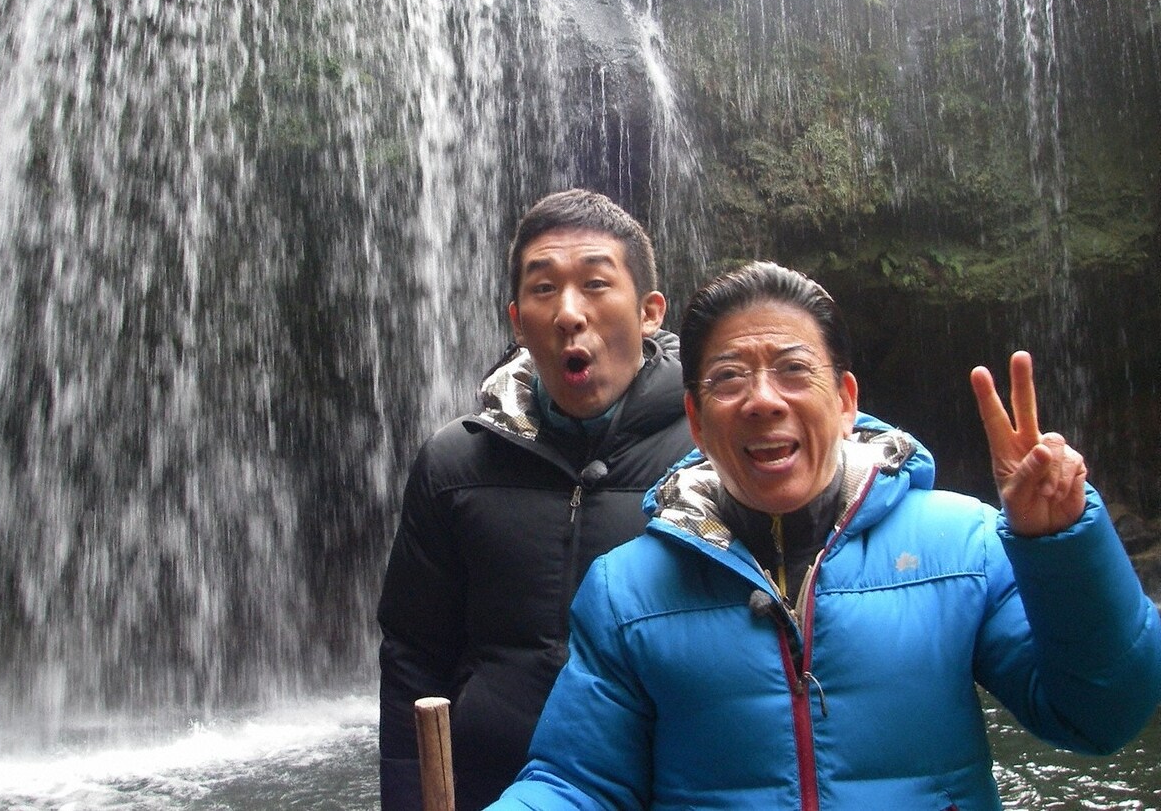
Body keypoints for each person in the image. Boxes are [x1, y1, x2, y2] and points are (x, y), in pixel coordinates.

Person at [489, 261, 1161, 811]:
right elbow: (578, 784)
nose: (762, 399)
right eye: (728, 377)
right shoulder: (626, 589)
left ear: (844, 401)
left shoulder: (965, 547)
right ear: (694, 418)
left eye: (791, 369)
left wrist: (1064, 546)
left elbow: (1101, 716)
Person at [376, 189, 696, 811]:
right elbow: (412, 656)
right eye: (544, 289)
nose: (569, 313)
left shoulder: (717, 452)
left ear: (650, 311)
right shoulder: (454, 465)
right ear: (517, 320)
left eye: (597, 285)